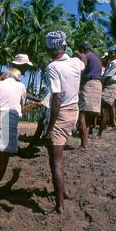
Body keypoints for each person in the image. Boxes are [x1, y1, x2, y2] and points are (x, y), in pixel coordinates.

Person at [0, 68, 41, 208]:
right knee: (3, 162)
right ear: (18, 78)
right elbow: (19, 106)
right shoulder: (21, 86)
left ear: (3, 77)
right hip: (8, 122)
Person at [43, 31, 85, 214]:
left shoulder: (52, 67)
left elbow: (57, 98)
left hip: (60, 114)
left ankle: (59, 205)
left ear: (49, 50)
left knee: (55, 162)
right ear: (64, 46)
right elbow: (83, 58)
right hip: (74, 112)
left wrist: (50, 128)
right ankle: (64, 191)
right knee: (59, 159)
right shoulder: (76, 63)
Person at [77, 41, 103, 148]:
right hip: (98, 85)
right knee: (88, 117)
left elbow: (81, 71)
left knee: (82, 114)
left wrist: (78, 86)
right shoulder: (97, 58)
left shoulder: (85, 56)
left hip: (89, 84)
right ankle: (85, 140)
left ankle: (84, 143)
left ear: (83, 49)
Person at [98, 46, 116, 139]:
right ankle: (102, 129)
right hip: (108, 86)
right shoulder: (110, 63)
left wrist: (100, 84)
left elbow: (108, 76)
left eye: (111, 52)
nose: (110, 54)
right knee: (104, 108)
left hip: (112, 86)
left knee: (105, 108)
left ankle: (99, 134)